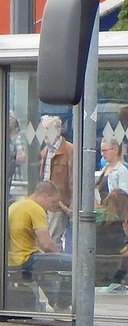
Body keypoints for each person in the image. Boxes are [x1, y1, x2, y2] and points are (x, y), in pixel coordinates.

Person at [7, 181, 71, 309]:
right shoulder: (35, 209)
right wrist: (59, 254)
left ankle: (55, 302)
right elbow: (46, 244)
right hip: (25, 259)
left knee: (43, 264)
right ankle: (63, 304)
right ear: (45, 195)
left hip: (11, 259)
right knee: (74, 262)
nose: (51, 208)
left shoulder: (16, 204)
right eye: (52, 202)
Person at [37, 115, 73, 246]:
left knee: (52, 241)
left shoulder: (69, 150)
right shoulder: (45, 150)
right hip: (43, 204)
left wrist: (71, 206)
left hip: (59, 205)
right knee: (44, 240)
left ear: (57, 131)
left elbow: (73, 180)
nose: (44, 133)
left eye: (47, 129)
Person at [96, 188, 128, 294]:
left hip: (95, 254)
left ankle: (116, 283)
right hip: (109, 259)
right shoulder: (114, 223)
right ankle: (121, 281)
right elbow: (125, 251)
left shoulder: (98, 215)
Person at [95, 137, 128, 204]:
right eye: (101, 151)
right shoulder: (104, 169)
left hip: (114, 211)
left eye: (105, 151)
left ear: (115, 150)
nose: (102, 154)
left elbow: (123, 196)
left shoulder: (122, 170)